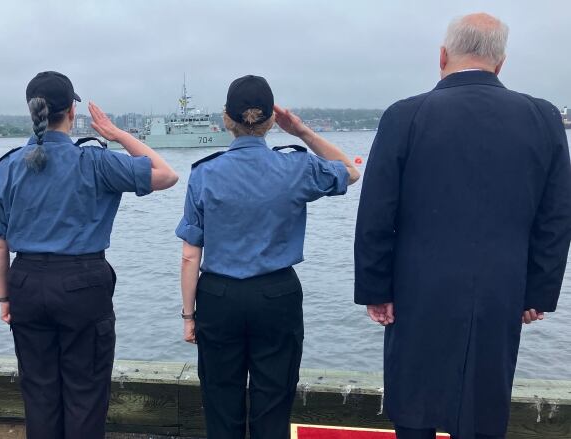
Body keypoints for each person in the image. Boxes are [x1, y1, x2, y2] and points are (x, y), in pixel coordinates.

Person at [354, 13, 571, 439]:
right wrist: (538, 292)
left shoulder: (404, 116)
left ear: (442, 56)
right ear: (500, 63)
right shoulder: (544, 118)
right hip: (502, 288)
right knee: (484, 411)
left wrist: (377, 291)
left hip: (417, 288)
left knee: (414, 406)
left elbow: (377, 214)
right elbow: (556, 217)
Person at [0, 71, 178, 439]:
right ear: (72, 111)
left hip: (25, 281)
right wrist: (117, 135)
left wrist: (5, 296)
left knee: (39, 393)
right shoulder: (96, 162)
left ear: (32, 112)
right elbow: (166, 175)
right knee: (85, 393)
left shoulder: (8, 166)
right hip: (82, 284)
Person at [176, 75, 360, 439]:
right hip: (277, 296)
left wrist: (188, 316)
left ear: (226, 119)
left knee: (220, 403)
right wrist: (302, 132)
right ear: (272, 121)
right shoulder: (296, 167)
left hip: (219, 296)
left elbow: (189, 254)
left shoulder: (204, 173)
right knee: (273, 406)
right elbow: (351, 172)